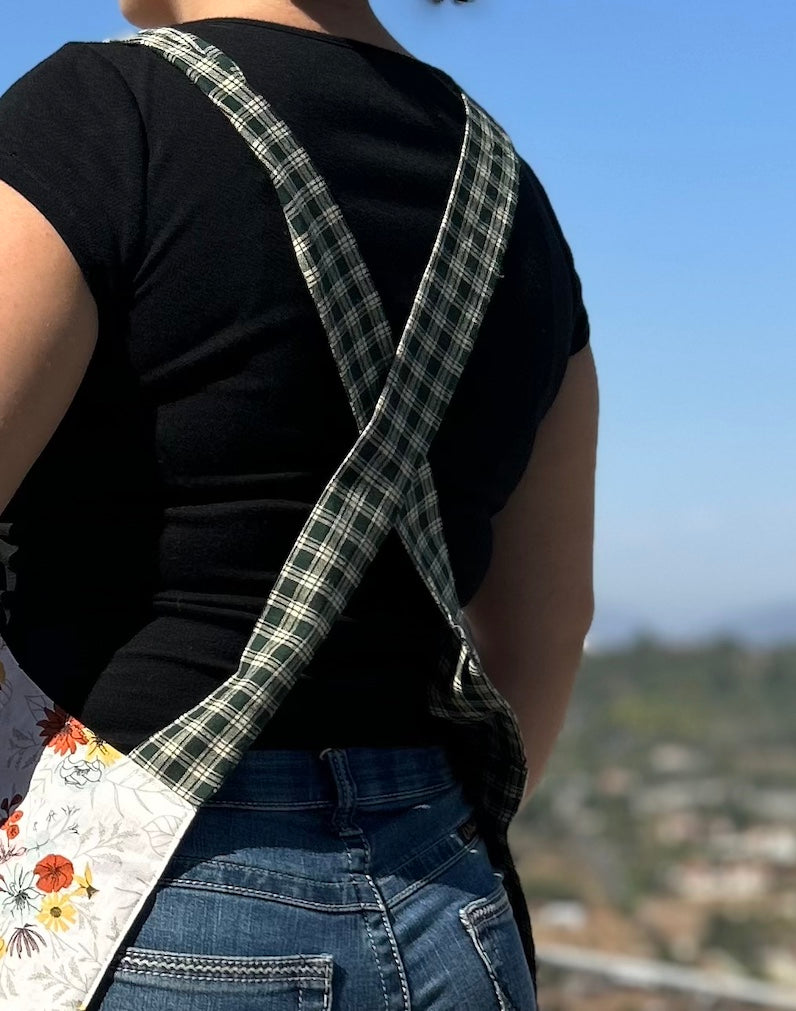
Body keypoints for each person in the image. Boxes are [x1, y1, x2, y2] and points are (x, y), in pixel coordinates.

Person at [0, 0, 598, 1007]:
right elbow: (548, 616)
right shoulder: (513, 199)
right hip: (452, 908)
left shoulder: (100, 116)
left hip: (141, 911)